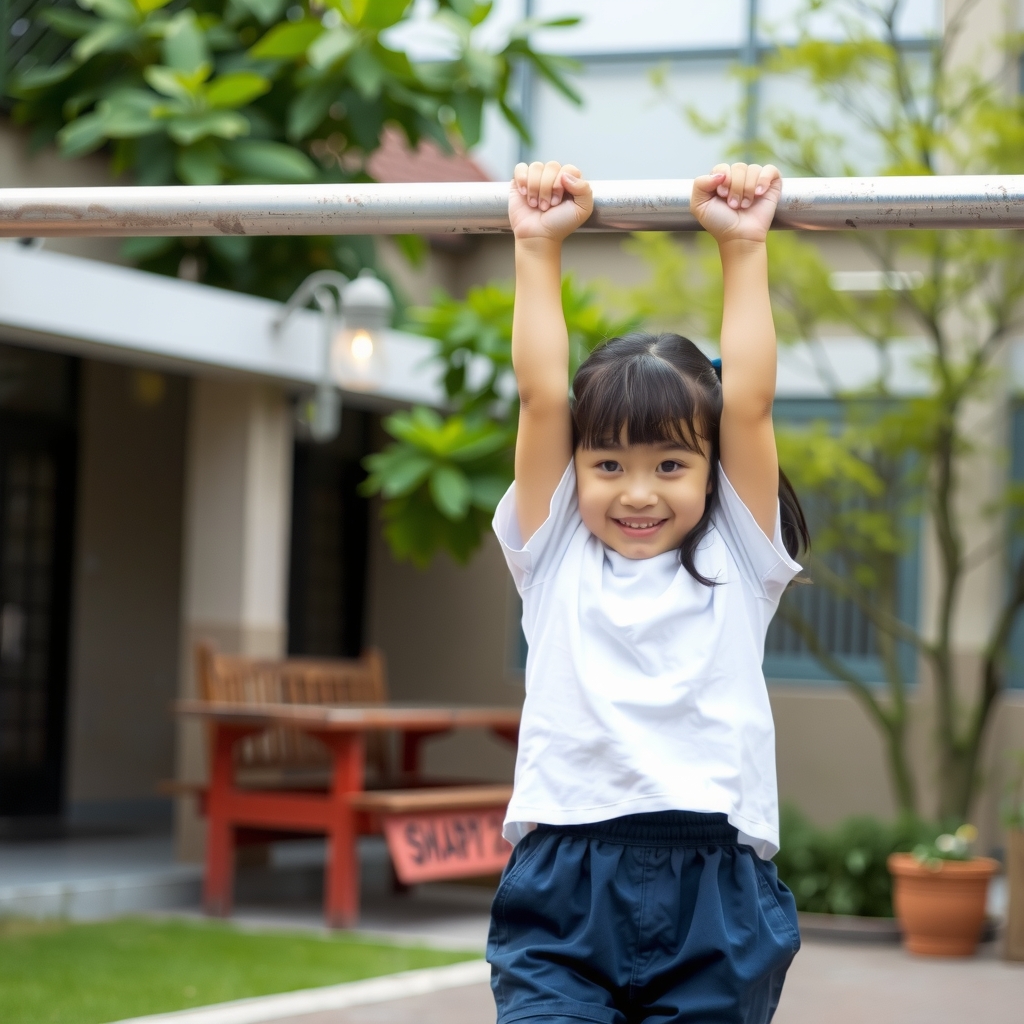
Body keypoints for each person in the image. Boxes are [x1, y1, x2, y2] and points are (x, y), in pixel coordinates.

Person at [487, 159, 810, 1024]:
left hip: (714, 885)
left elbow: (745, 404)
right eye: (608, 465)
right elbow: (540, 395)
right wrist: (534, 244)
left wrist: (743, 245)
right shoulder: (552, 547)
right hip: (566, 878)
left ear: (708, 473)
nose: (637, 492)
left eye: (670, 464)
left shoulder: (740, 557)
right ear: (577, 469)